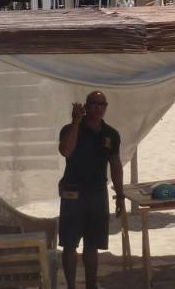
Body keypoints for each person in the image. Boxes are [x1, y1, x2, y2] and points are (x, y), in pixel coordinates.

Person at [58, 90, 124, 289]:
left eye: (103, 105)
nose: (99, 108)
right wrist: (77, 123)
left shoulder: (111, 134)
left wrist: (120, 195)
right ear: (86, 106)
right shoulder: (69, 129)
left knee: (92, 244)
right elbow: (66, 151)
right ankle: (71, 286)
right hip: (73, 191)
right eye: (95, 104)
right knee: (70, 244)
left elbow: (115, 164)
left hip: (97, 192)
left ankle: (91, 285)